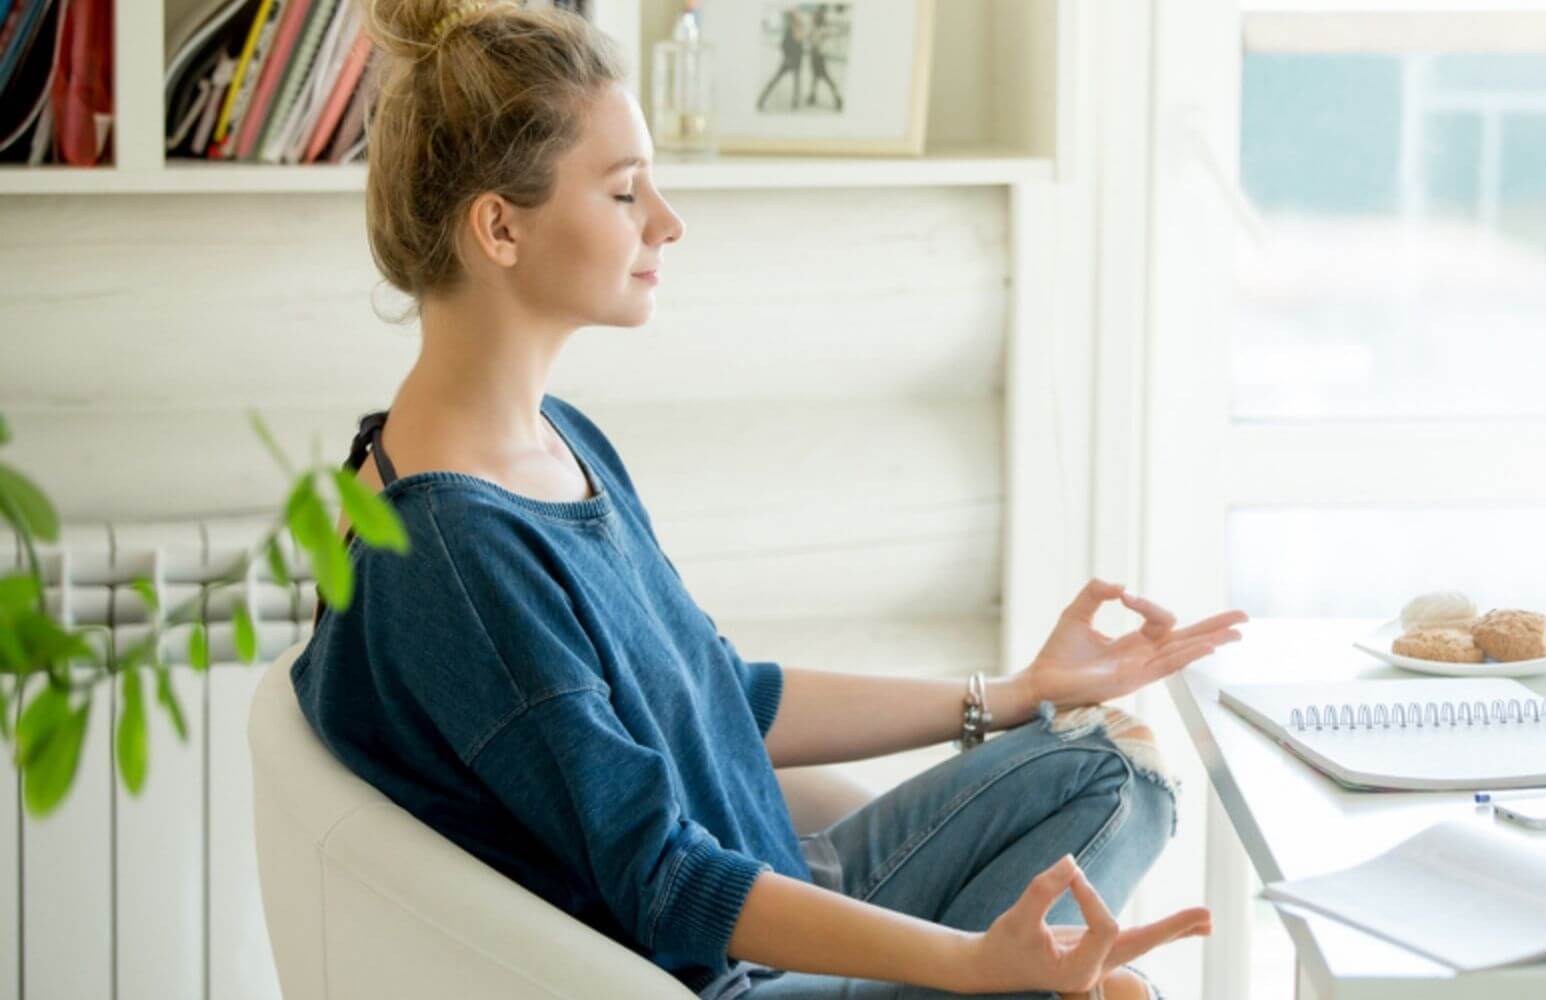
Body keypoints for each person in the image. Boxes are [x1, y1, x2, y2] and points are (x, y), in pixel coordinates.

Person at [294, 2, 1247, 999]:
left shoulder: (554, 439)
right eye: (624, 193)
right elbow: (662, 878)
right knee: (1053, 953)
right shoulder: (454, 551)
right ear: (498, 226)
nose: (667, 220)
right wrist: (970, 964)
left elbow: (721, 698)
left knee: (1110, 769)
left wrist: (1006, 694)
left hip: (784, 881)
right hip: (724, 974)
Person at [755, 9, 808, 112]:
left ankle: (794, 102)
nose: (794, 20)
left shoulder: (796, 29)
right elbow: (786, 45)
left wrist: (788, 52)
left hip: (793, 61)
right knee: (780, 80)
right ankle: (762, 99)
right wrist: (787, 53)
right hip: (790, 61)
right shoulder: (792, 29)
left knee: (793, 82)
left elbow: (795, 46)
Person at [805, 7, 843, 112]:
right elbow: (810, 39)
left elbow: (820, 39)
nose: (813, 18)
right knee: (815, 78)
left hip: (818, 57)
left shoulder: (821, 29)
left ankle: (838, 99)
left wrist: (818, 38)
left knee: (826, 78)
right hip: (815, 56)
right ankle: (812, 97)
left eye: (815, 17)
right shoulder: (816, 28)